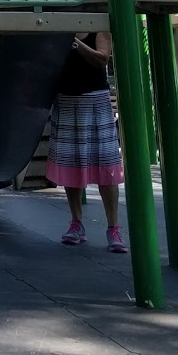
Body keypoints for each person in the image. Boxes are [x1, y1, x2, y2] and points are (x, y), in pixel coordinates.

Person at [47, 28, 127, 252]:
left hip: (95, 101)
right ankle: (76, 222)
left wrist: (74, 42)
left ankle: (113, 227)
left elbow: (102, 59)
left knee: (107, 164)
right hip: (66, 100)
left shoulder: (97, 29)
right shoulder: (58, 28)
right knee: (71, 163)